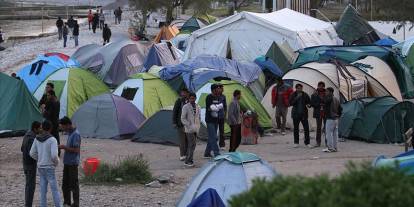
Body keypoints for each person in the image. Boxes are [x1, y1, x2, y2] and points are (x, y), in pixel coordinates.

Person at [30, 120, 61, 207]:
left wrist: (40, 159)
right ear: (50, 128)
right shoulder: (52, 140)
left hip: (40, 166)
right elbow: (54, 155)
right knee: (54, 189)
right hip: (49, 167)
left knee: (43, 190)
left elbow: (32, 153)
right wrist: (56, 163)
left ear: (42, 128)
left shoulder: (37, 138)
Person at [59, 117, 81, 207]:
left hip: (72, 163)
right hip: (67, 162)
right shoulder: (70, 133)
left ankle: (76, 204)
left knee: (73, 184)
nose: (63, 129)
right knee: (65, 184)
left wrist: (64, 147)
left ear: (68, 125)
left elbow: (76, 150)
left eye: (63, 127)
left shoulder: (76, 134)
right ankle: (67, 202)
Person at [21, 121, 41, 207]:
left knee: (28, 185)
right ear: (35, 128)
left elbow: (22, 148)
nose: (41, 129)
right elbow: (32, 153)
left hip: (25, 163)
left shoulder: (26, 135)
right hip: (30, 165)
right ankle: (28, 205)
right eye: (39, 128)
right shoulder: (32, 138)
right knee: (31, 186)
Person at [180, 93, 201, 167]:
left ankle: (189, 159)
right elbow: (182, 118)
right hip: (189, 129)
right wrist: (188, 124)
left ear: (195, 98)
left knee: (193, 145)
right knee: (191, 144)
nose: (192, 100)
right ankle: (188, 160)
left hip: (196, 128)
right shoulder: (185, 107)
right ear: (188, 99)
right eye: (191, 98)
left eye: (193, 98)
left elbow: (199, 117)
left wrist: (198, 125)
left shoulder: (198, 106)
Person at [289, 83, 311, 148]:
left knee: (306, 128)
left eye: (301, 88)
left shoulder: (305, 94)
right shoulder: (293, 94)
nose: (300, 89)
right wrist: (297, 98)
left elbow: (309, 102)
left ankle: (307, 142)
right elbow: (290, 103)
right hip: (296, 114)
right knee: (296, 129)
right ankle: (296, 142)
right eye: (298, 88)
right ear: (296, 88)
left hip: (303, 114)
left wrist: (309, 105)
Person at [204, 84, 222, 158]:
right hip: (209, 120)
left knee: (212, 137)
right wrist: (215, 107)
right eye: (217, 89)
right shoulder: (209, 97)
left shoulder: (217, 97)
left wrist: (217, 107)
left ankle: (207, 153)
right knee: (214, 137)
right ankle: (216, 153)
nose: (219, 90)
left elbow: (219, 107)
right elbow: (209, 108)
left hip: (216, 119)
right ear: (213, 90)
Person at [323, 87, 342, 153]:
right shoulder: (336, 99)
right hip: (336, 119)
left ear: (330, 92)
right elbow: (340, 109)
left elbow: (324, 102)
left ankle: (330, 148)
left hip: (330, 119)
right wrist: (338, 116)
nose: (326, 93)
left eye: (327, 91)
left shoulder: (329, 99)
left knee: (329, 134)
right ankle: (335, 148)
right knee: (335, 134)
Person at [173, 88, 189, 161]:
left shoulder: (190, 101)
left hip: (189, 124)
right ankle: (182, 155)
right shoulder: (179, 101)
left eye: (185, 92)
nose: (183, 94)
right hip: (180, 124)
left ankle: (187, 154)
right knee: (182, 140)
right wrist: (174, 122)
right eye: (182, 92)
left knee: (188, 140)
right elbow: (175, 112)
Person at [43, 90, 61, 156]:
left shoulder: (51, 102)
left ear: (52, 95)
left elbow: (48, 114)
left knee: (49, 137)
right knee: (56, 137)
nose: (47, 96)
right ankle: (58, 152)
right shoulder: (57, 101)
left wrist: (44, 110)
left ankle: (51, 152)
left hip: (51, 123)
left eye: (48, 95)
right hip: (56, 122)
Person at [310, 81, 326, 147]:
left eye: (322, 86)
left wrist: (324, 103)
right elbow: (312, 104)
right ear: (318, 86)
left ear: (324, 86)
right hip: (318, 112)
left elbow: (329, 101)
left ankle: (327, 142)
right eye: (319, 86)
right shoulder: (314, 94)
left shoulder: (327, 93)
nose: (321, 87)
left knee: (326, 128)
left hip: (326, 112)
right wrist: (319, 104)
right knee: (318, 128)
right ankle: (318, 142)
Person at [217, 84, 227, 149]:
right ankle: (213, 144)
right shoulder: (214, 96)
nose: (222, 89)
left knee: (222, 131)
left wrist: (225, 114)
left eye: (222, 88)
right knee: (214, 131)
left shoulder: (223, 96)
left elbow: (225, 106)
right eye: (221, 88)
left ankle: (222, 145)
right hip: (215, 116)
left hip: (221, 116)